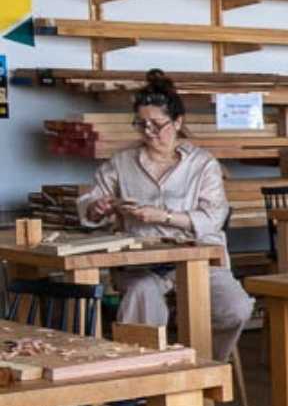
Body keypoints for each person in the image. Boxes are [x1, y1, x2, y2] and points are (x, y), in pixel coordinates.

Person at [75, 69, 255, 361]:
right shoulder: (122, 163)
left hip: (199, 259)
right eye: (142, 125)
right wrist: (96, 208)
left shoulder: (203, 164)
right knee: (142, 297)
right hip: (142, 264)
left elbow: (212, 219)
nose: (149, 133)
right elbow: (89, 202)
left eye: (157, 125)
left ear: (178, 122)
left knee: (235, 309)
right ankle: (147, 378)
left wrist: (162, 216)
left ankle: (203, 367)